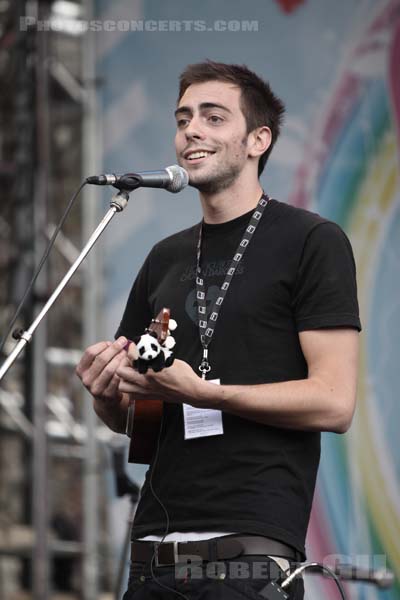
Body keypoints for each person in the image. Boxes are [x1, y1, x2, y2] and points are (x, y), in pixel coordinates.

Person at [76, 60, 361, 599]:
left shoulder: (311, 240)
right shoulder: (165, 257)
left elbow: (334, 402)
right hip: (155, 551)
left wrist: (206, 393)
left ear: (258, 139)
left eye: (213, 117)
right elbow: (140, 420)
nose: (192, 131)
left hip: (249, 547)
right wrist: (106, 395)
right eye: (183, 118)